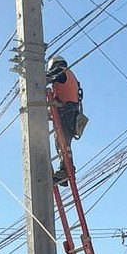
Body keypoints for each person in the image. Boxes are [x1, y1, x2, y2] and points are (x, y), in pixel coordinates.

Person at [46, 55, 80, 187]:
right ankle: (65, 171)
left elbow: (46, 77)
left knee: (61, 142)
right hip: (71, 112)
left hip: (66, 112)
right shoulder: (70, 76)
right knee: (64, 143)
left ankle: (66, 171)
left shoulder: (61, 71)